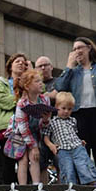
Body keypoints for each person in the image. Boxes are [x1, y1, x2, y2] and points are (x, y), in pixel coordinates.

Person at [55, 37, 96, 186]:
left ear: (89, 48)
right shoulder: (73, 72)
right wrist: (69, 67)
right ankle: (83, 189)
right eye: (74, 49)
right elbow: (60, 87)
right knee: (80, 154)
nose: (77, 51)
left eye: (80, 47)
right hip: (78, 116)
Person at [43, 92, 96, 185]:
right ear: (57, 107)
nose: (66, 111)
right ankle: (69, 186)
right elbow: (46, 137)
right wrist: (51, 145)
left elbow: (73, 133)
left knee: (83, 164)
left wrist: (80, 140)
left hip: (77, 146)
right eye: (63, 108)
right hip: (63, 149)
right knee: (67, 169)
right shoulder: (52, 122)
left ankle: (91, 182)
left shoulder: (73, 120)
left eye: (69, 109)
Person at [0, 53, 29, 184]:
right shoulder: (1, 82)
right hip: (7, 127)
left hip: (26, 127)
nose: (21, 63)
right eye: (17, 61)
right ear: (10, 66)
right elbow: (1, 100)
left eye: (23, 62)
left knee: (26, 162)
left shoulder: (30, 82)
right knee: (7, 163)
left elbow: (38, 94)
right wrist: (21, 100)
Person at [12, 69, 51, 185]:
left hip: (35, 133)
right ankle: (23, 188)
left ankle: (36, 185)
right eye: (37, 81)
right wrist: (33, 146)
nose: (40, 83)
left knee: (35, 158)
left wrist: (45, 121)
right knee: (23, 160)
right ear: (27, 86)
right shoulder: (22, 103)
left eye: (41, 81)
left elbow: (45, 125)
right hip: (20, 134)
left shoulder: (44, 100)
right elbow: (23, 127)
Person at [35, 55, 57, 183]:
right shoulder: (33, 84)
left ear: (51, 67)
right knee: (41, 163)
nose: (43, 68)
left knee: (59, 160)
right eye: (40, 66)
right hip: (39, 129)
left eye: (46, 65)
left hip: (56, 128)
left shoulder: (58, 82)